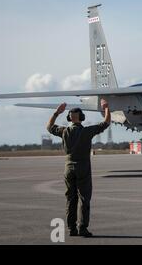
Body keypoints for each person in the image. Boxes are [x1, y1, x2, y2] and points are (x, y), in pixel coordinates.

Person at [46, 99, 111, 237]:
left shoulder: (64, 131)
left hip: (68, 167)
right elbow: (106, 123)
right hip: (83, 168)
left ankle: (72, 229)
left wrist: (57, 113)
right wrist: (106, 108)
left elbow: (49, 127)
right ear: (82, 118)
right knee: (84, 199)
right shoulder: (87, 131)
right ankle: (83, 228)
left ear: (69, 118)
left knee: (71, 199)